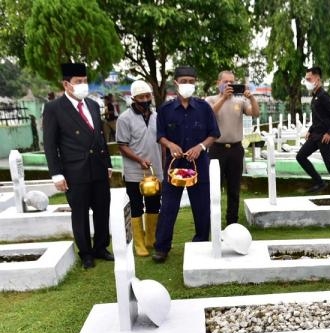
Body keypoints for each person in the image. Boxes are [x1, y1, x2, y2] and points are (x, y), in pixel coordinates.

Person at [42, 62, 114, 269]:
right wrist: (56, 174)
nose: (83, 84)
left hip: (98, 167)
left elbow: (100, 137)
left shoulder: (92, 105)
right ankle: (86, 253)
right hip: (75, 170)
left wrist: (107, 163)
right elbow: (50, 144)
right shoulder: (54, 108)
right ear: (66, 84)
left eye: (85, 81)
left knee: (102, 209)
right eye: (78, 82)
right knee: (80, 213)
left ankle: (101, 246)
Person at [152, 66, 220, 262]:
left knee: (202, 207)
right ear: (176, 83)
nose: (188, 85)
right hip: (174, 166)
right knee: (168, 208)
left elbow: (214, 134)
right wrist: (170, 144)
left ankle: (201, 243)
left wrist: (200, 146)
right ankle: (162, 247)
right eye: (184, 81)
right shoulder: (165, 109)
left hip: (199, 164)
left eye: (191, 81)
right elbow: (160, 136)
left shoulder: (204, 108)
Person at [205, 70, 260, 225]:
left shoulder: (240, 100)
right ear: (218, 83)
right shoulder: (211, 99)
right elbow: (208, 114)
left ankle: (232, 222)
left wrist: (251, 98)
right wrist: (223, 97)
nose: (229, 84)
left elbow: (255, 113)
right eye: (225, 82)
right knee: (214, 188)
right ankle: (212, 221)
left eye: (232, 82)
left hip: (236, 149)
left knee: (234, 188)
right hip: (217, 149)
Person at [116, 80, 163, 257]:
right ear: (134, 98)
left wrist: (162, 168)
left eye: (147, 96)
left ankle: (151, 239)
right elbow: (122, 145)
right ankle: (139, 243)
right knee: (136, 207)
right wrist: (139, 159)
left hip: (155, 171)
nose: (145, 99)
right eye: (141, 97)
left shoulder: (157, 116)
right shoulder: (124, 118)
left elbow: (162, 143)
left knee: (154, 206)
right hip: (134, 172)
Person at [297, 66, 330, 194]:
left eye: (309, 79)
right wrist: (310, 129)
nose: (307, 81)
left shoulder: (324, 96)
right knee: (300, 156)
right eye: (306, 79)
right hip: (315, 135)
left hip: (325, 137)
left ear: (317, 79)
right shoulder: (315, 96)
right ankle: (320, 182)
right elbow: (318, 117)